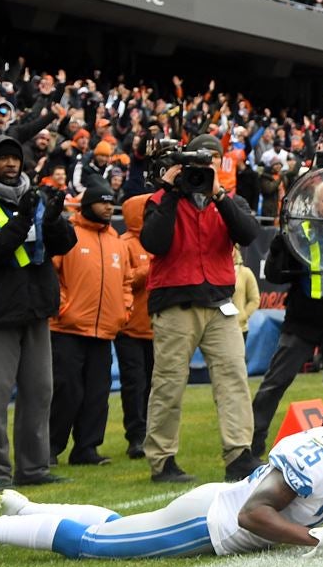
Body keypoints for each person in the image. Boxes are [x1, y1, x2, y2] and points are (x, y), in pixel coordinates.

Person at [0, 379, 323, 559]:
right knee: (95, 544)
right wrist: (311, 538)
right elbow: (253, 516)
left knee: (118, 525)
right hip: (209, 522)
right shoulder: (317, 454)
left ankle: (31, 508)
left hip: (216, 507)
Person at [141, 134, 262, 484]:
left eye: (211, 161)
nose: (204, 167)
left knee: (234, 377)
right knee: (168, 383)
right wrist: (170, 190)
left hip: (220, 303)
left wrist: (220, 196)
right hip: (175, 304)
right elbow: (155, 242)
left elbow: (248, 233)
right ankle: (162, 461)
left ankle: (239, 454)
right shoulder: (161, 199)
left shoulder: (227, 200)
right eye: (199, 161)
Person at [0, 136, 78, 491]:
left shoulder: (36, 196)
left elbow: (65, 244)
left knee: (39, 391)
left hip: (36, 310)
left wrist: (54, 219)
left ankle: (32, 468)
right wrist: (22, 219)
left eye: (16, 158)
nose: (11, 164)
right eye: (4, 159)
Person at [251, 179, 323, 459]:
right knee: (275, 381)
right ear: (315, 204)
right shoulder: (297, 232)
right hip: (302, 320)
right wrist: (281, 242)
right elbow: (275, 274)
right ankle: (250, 443)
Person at [49, 185, 131, 467]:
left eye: (112, 203)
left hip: (105, 330)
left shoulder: (116, 241)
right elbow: (52, 275)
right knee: (66, 392)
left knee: (98, 395)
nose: (109, 208)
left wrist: (123, 311)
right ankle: (50, 448)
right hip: (68, 329)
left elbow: (126, 283)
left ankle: (86, 448)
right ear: (88, 205)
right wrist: (63, 307)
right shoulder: (68, 234)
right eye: (103, 203)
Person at [116, 193, 154, 460]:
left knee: (155, 386)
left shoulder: (159, 239)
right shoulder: (124, 244)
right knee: (134, 385)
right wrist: (149, 270)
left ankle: (153, 434)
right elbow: (122, 282)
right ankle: (136, 436)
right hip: (129, 328)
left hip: (158, 328)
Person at [233, 246, 261, 341]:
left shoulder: (245, 272)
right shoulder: (215, 271)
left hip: (239, 329)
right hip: (217, 328)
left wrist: (242, 316)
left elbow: (255, 299)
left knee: (237, 356)